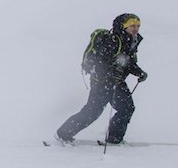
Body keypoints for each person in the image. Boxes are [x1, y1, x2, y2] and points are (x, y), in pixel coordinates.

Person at [55, 13, 148, 145]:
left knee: (127, 108)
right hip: (102, 82)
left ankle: (114, 139)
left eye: (138, 26)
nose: (136, 28)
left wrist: (139, 73)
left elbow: (128, 63)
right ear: (123, 26)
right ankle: (63, 134)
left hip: (117, 82)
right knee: (92, 112)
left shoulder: (132, 40)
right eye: (132, 25)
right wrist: (111, 73)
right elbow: (100, 63)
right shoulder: (112, 40)